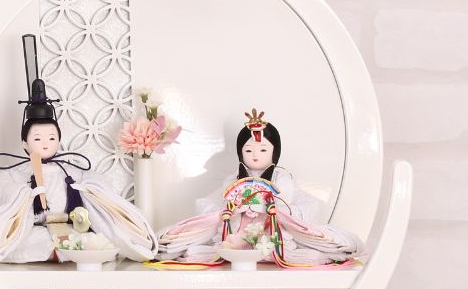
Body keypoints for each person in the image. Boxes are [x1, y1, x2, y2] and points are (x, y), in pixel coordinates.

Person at [0, 35, 157, 266]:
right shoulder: (17, 173)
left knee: (93, 240)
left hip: (72, 226)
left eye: (51, 137)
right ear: (25, 143)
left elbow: (97, 184)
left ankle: (69, 250)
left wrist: (88, 188)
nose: (45, 143)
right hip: (35, 230)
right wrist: (22, 195)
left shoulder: (70, 171)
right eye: (37, 138)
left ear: (59, 141)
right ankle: (59, 251)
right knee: (26, 242)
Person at [155, 109, 364, 269]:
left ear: (274, 152)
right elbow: (214, 203)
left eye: (263, 149)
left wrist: (267, 209)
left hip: (271, 230)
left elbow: (291, 204)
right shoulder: (233, 179)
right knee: (197, 251)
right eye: (249, 150)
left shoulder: (282, 179)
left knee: (310, 256)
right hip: (239, 229)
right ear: (240, 153)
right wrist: (232, 209)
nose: (255, 155)